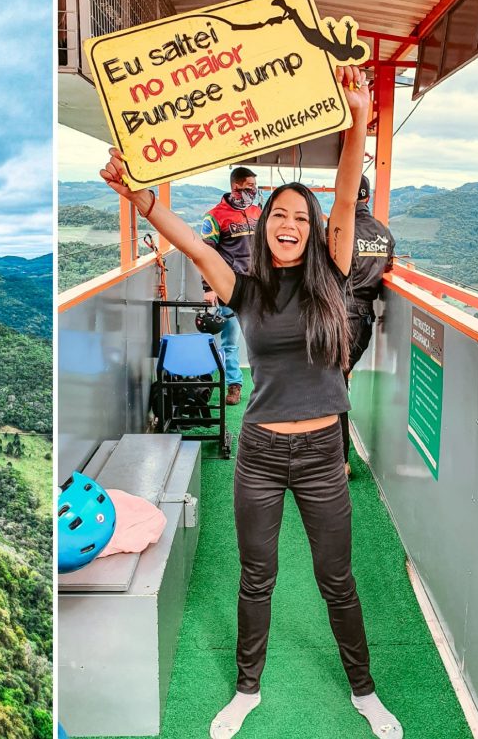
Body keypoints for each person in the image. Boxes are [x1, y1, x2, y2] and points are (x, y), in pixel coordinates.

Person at [100, 66, 402, 739]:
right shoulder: (243, 288)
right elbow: (186, 238)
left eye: (301, 217)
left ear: (314, 230)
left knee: (338, 579)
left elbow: (345, 199)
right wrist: (137, 195)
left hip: (322, 456)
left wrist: (358, 118)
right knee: (256, 578)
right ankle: (246, 689)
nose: (289, 224)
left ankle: (365, 692)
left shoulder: (333, 276)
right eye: (279, 216)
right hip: (260, 454)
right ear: (264, 226)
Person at [340, 175, 396, 475]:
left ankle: (340, 461)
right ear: (368, 197)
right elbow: (388, 267)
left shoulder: (340, 229)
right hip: (364, 319)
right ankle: (339, 459)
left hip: (341, 314)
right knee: (337, 382)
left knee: (332, 386)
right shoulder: (383, 233)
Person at [200, 167, 261, 405]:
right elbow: (206, 254)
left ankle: (264, 385)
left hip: (257, 288)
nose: (254, 191)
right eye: (250, 187)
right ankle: (234, 385)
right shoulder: (214, 216)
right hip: (229, 288)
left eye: (254, 187)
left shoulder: (257, 212)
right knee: (230, 342)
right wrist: (208, 287)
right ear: (236, 187)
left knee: (261, 338)